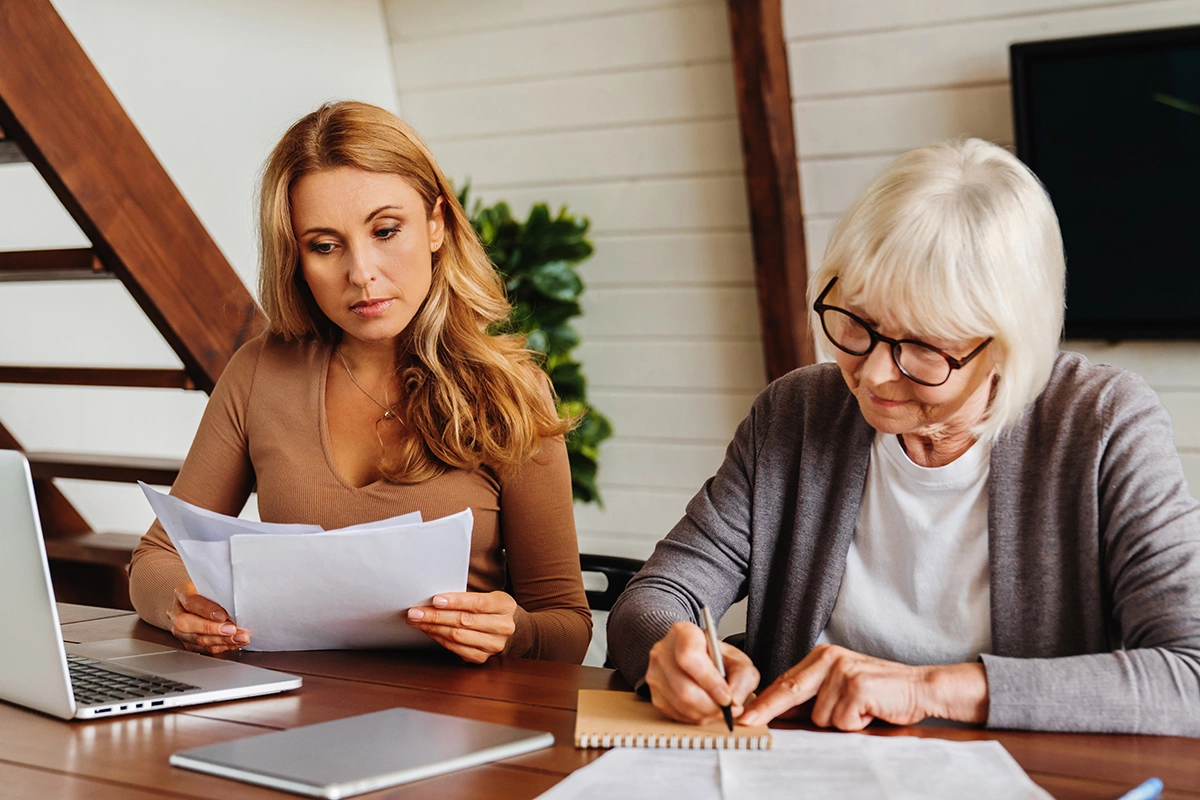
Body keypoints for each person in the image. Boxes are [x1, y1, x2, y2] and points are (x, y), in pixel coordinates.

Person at [606, 138, 1200, 735]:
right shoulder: (796, 412)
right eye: (856, 324)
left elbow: (1189, 674)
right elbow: (654, 596)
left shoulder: (1103, 425)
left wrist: (928, 689)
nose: (872, 375)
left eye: (922, 348)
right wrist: (671, 650)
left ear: (1006, 347)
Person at [129, 101, 592, 664]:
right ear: (296, 259)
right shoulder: (260, 372)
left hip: (462, 722)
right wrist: (184, 604)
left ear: (437, 225)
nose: (362, 272)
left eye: (386, 230)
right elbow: (154, 558)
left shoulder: (509, 392)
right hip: (294, 711)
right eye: (324, 246)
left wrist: (513, 631)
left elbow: (568, 627)